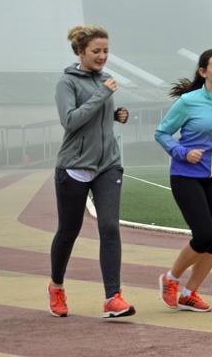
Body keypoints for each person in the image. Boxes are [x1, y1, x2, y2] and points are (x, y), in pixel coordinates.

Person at [48, 25, 135, 319]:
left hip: (108, 164)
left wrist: (115, 114)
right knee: (68, 232)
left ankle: (113, 297)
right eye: (96, 51)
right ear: (80, 51)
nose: (102, 56)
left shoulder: (106, 79)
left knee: (109, 227)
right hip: (74, 166)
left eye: (106, 51)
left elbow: (96, 117)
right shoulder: (66, 83)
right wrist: (101, 96)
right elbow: (71, 121)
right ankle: (56, 286)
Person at [156, 49, 212, 312]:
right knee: (204, 235)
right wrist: (183, 152)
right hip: (185, 176)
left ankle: (189, 293)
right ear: (203, 72)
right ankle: (170, 279)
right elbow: (162, 133)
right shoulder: (188, 101)